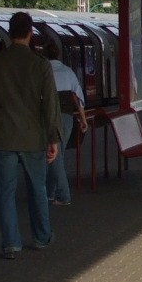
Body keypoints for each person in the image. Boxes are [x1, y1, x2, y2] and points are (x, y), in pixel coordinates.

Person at [0, 11, 62, 259]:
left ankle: (11, 243)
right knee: (37, 188)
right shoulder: (40, 64)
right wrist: (53, 137)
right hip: (33, 138)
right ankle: (42, 237)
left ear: (10, 31)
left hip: (3, 137)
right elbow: (50, 104)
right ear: (29, 33)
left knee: (6, 191)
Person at [45, 50, 89, 206]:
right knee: (58, 155)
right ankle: (50, 193)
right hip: (68, 118)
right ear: (59, 57)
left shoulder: (44, 71)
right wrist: (83, 120)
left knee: (54, 156)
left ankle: (63, 195)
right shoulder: (68, 71)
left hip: (50, 118)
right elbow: (77, 97)